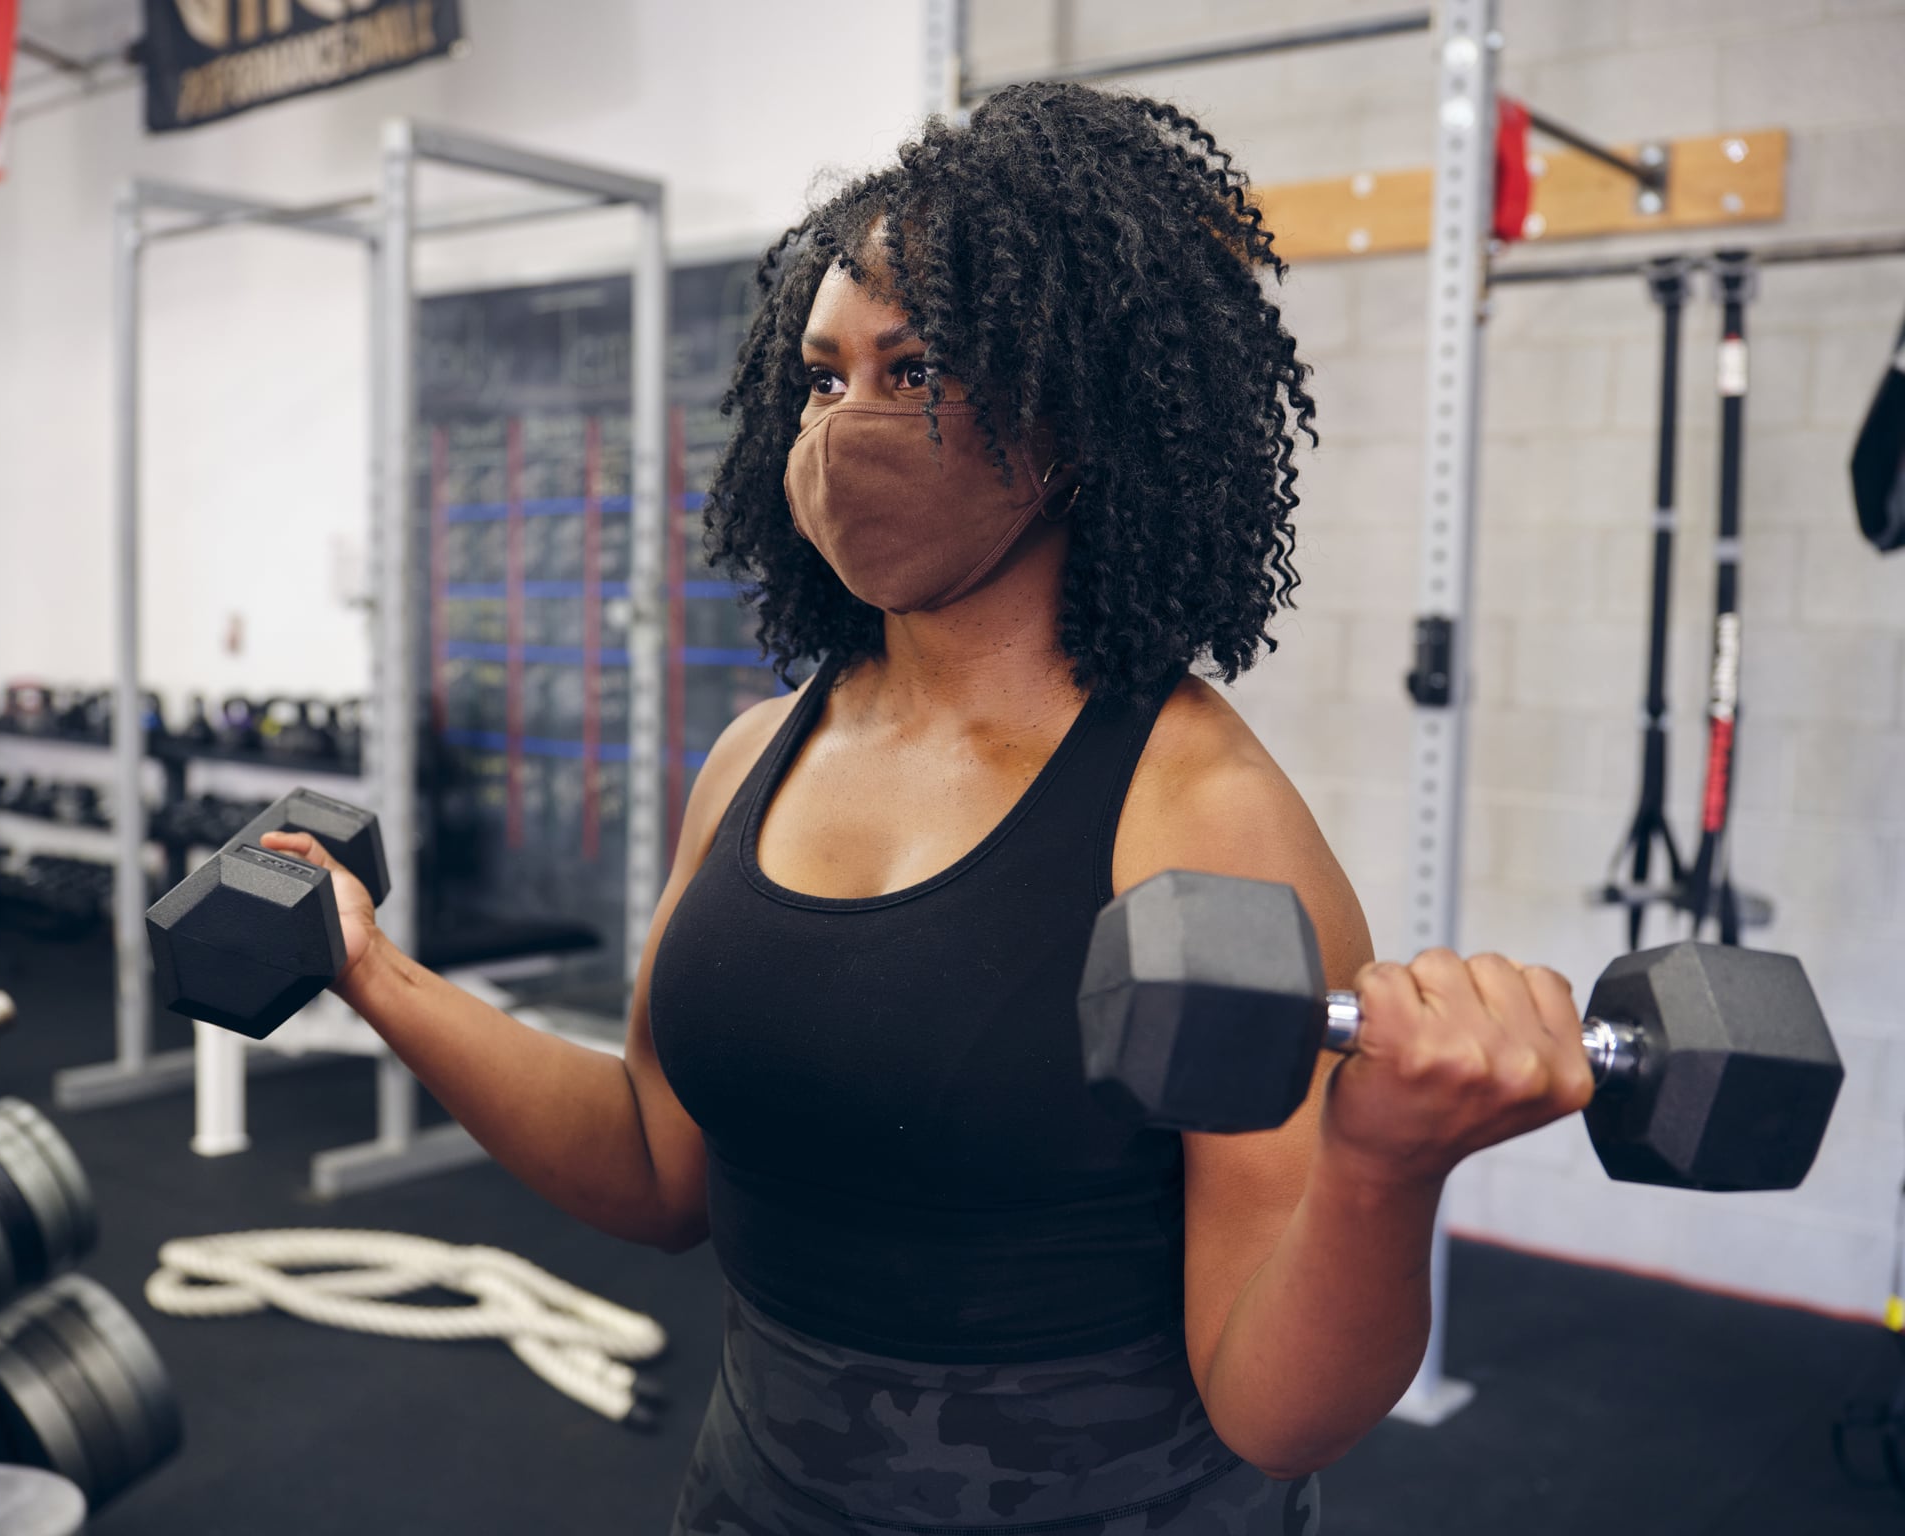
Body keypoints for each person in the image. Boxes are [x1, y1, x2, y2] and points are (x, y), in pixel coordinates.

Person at [263, 83, 1595, 1535]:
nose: (848, 426)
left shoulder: (1202, 817)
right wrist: (371, 973)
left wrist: (1380, 1166)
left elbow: (1280, 1411)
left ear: (1073, 413)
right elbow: (656, 1162)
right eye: (825, 379)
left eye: (919, 372)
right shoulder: (759, 755)